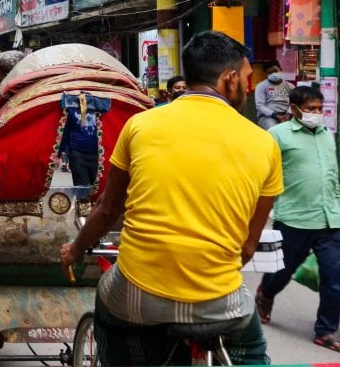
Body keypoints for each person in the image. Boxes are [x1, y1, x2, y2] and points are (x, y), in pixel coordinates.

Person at [60, 31, 282, 365]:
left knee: (108, 301)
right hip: (220, 301)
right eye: (248, 79)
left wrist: (76, 250)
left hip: (138, 295)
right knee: (252, 353)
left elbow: (108, 210)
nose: (249, 88)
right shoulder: (264, 143)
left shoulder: (140, 126)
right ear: (230, 79)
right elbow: (248, 247)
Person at [256, 86, 340, 352]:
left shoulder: (327, 135)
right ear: (294, 109)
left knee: (334, 276)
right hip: (294, 218)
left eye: (320, 109)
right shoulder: (277, 136)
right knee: (282, 271)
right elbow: (263, 174)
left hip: (330, 219)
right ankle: (266, 293)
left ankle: (325, 330)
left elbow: (332, 176)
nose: (317, 114)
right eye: (311, 109)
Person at [60, 105, 99, 187]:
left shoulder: (98, 109)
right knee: (82, 186)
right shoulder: (71, 110)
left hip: (94, 153)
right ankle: (81, 198)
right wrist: (63, 151)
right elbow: (67, 131)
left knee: (92, 185)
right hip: (76, 152)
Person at [255, 60, 294, 129]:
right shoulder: (261, 86)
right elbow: (259, 106)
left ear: (281, 70)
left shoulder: (290, 86)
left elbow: (294, 102)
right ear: (266, 74)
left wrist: (289, 114)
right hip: (268, 116)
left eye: (275, 71)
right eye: (269, 72)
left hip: (288, 115)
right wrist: (274, 115)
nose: (273, 74)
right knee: (274, 130)